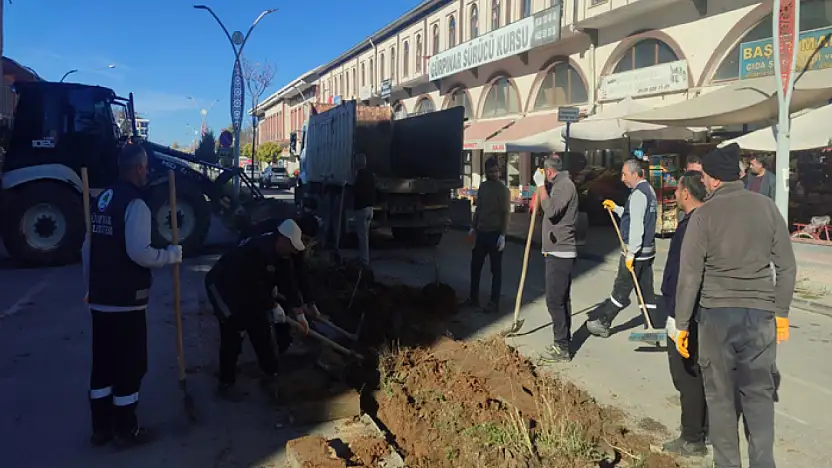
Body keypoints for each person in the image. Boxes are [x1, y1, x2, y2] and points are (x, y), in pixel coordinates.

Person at [674, 143, 796, 468]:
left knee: (721, 400)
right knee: (758, 399)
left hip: (716, 319)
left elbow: (690, 277)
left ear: (714, 179)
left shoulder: (703, 215)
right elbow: (787, 267)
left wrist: (682, 325)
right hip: (760, 318)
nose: (704, 181)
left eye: (705, 176)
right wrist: (781, 313)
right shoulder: (767, 207)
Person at [83, 144, 183, 447]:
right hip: (126, 300)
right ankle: (126, 429)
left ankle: (101, 427)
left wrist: (90, 286)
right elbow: (139, 251)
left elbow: (88, 248)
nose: (147, 171)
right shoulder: (136, 204)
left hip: (100, 298)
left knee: (103, 364)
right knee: (130, 365)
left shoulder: (103, 199)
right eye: (145, 167)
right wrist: (170, 255)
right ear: (139, 168)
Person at [205, 217, 322, 402]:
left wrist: (299, 314)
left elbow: (288, 283)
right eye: (292, 247)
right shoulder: (257, 251)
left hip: (247, 288)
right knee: (233, 331)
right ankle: (226, 382)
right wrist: (272, 305)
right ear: (282, 239)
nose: (293, 252)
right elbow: (253, 285)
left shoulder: (282, 254)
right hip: (223, 286)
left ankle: (271, 373)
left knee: (261, 329)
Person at [661, 171, 708, 457]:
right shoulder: (709, 220)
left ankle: (692, 438)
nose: (675, 195)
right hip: (702, 310)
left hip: (685, 310)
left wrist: (679, 318)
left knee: (685, 374)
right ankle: (705, 428)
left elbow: (684, 274)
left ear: (686, 193)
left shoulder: (691, 226)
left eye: (677, 190)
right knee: (700, 373)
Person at [586, 159, 659, 338]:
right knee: (646, 290)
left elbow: (636, 226)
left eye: (625, 174)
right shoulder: (648, 190)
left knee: (621, 288)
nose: (622, 179)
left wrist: (631, 253)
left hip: (636, 252)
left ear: (635, 174)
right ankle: (653, 327)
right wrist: (617, 209)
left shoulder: (638, 195)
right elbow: (635, 215)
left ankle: (603, 322)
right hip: (647, 251)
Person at [533, 155, 578, 362]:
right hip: (558, 250)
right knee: (561, 299)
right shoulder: (560, 185)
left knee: (554, 301)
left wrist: (541, 186)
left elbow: (551, 211)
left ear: (549, 172)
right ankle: (564, 341)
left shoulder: (564, 186)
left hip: (561, 252)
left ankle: (561, 346)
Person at [465, 157, 510, 313]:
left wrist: (503, 235)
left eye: (496, 171)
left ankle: (494, 302)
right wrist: (473, 227)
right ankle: (473, 298)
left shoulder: (503, 190)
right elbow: (479, 209)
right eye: (491, 172)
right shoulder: (483, 187)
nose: (494, 174)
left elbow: (506, 213)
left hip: (495, 234)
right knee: (475, 266)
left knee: (495, 270)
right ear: (486, 172)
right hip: (482, 233)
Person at [352, 153, 376, 268]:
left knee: (362, 236)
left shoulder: (359, 177)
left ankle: (364, 260)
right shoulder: (370, 175)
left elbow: (356, 192)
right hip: (370, 208)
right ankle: (363, 256)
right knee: (365, 235)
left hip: (361, 209)